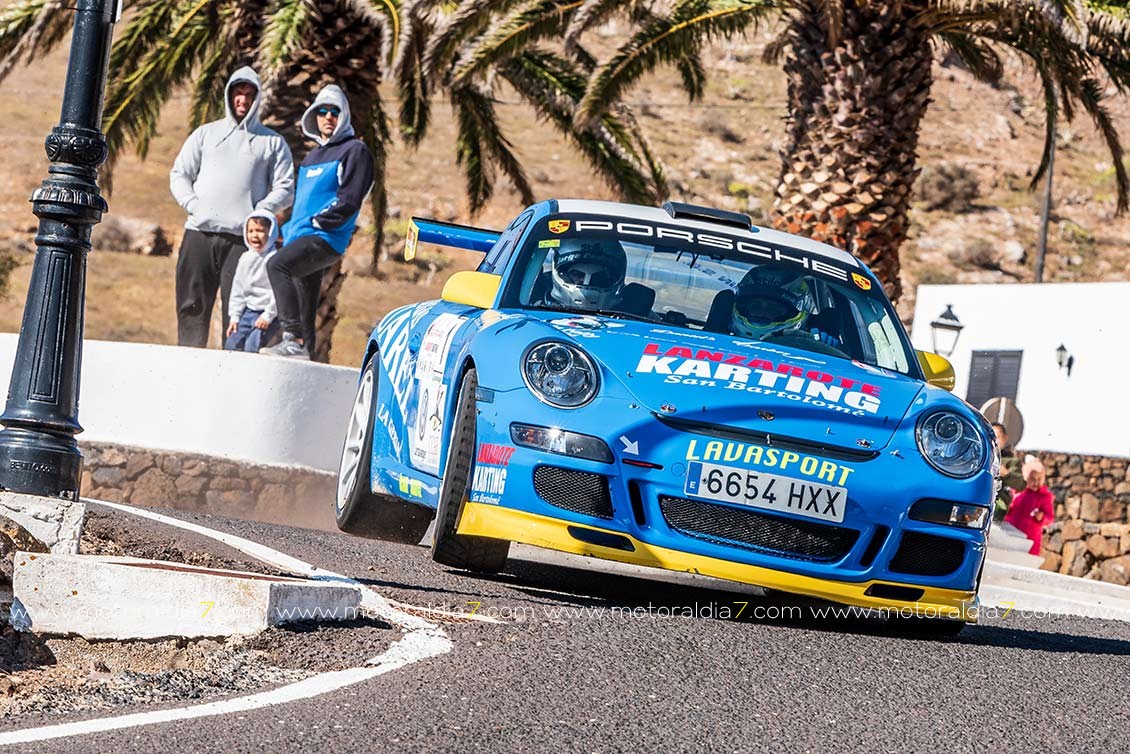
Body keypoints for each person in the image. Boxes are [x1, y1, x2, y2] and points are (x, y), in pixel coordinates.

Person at [170, 66, 294, 348]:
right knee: (191, 305)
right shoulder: (205, 134)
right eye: (238, 93)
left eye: (250, 94)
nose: (243, 100)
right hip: (199, 232)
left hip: (242, 242)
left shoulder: (272, 143)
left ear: (257, 98)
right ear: (229, 95)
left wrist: (259, 213)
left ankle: (232, 364)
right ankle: (189, 362)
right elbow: (179, 174)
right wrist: (193, 205)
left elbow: (285, 188)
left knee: (238, 312)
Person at [262, 85, 374, 359]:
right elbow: (302, 203)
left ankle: (292, 337)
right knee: (306, 298)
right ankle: (307, 353)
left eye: (334, 112)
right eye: (322, 111)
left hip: (325, 237)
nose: (328, 117)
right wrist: (287, 231)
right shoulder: (311, 157)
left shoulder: (355, 150)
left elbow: (350, 199)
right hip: (301, 235)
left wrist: (319, 222)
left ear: (344, 115)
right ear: (313, 116)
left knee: (277, 266)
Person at [730, 267, 838, 345]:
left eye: (773, 310)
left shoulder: (815, 343)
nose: (762, 314)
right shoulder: (719, 332)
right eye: (755, 307)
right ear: (742, 306)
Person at [225, 210, 281, 353]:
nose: (254, 235)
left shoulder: (275, 259)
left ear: (271, 232)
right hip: (248, 311)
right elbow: (238, 288)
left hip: (268, 313)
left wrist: (268, 316)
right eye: (250, 231)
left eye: (260, 231)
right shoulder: (245, 258)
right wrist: (235, 317)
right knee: (232, 343)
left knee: (253, 345)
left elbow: (279, 292)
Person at [546, 239, 626, 309]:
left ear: (610, 279)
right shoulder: (540, 307)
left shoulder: (628, 316)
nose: (585, 282)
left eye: (597, 277)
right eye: (577, 275)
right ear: (563, 274)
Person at [1004, 455, 1055, 555]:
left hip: (1030, 538)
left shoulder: (1044, 497)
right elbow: (1009, 509)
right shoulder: (1018, 493)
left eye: (1039, 479)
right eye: (1032, 478)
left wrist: (1042, 517)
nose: (1036, 482)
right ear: (1026, 478)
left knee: (1026, 559)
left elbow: (1050, 518)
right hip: (1012, 534)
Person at [992, 422, 1024, 522]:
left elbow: (1021, 484)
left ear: (1005, 438)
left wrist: (1006, 474)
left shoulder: (1011, 461)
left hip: (997, 506)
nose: (995, 441)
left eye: (998, 437)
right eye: (991, 437)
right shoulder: (978, 457)